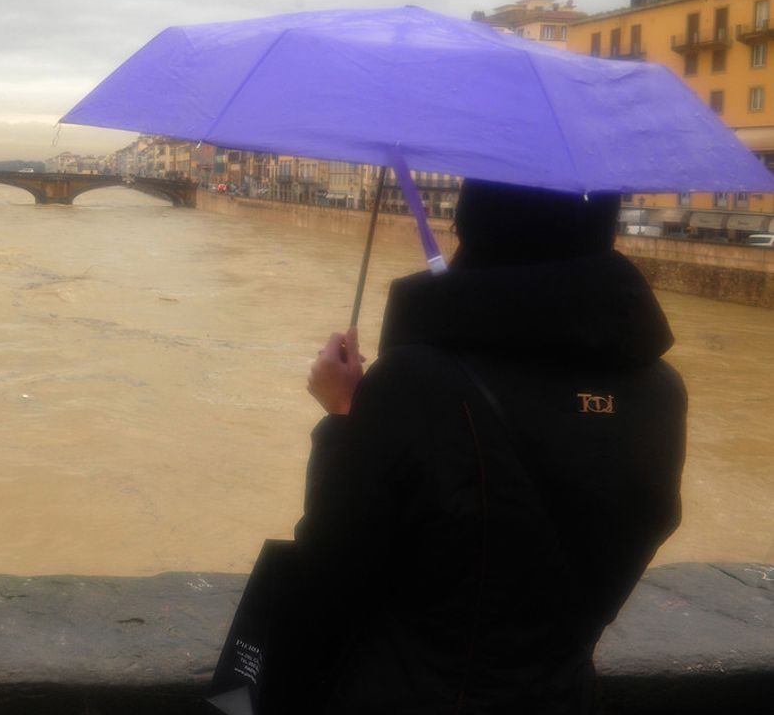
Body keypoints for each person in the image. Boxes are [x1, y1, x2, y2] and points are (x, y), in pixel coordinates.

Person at [290, 179, 687, 713]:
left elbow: (329, 567)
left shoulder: (415, 382)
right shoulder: (662, 391)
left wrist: (345, 415)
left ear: (480, 233)